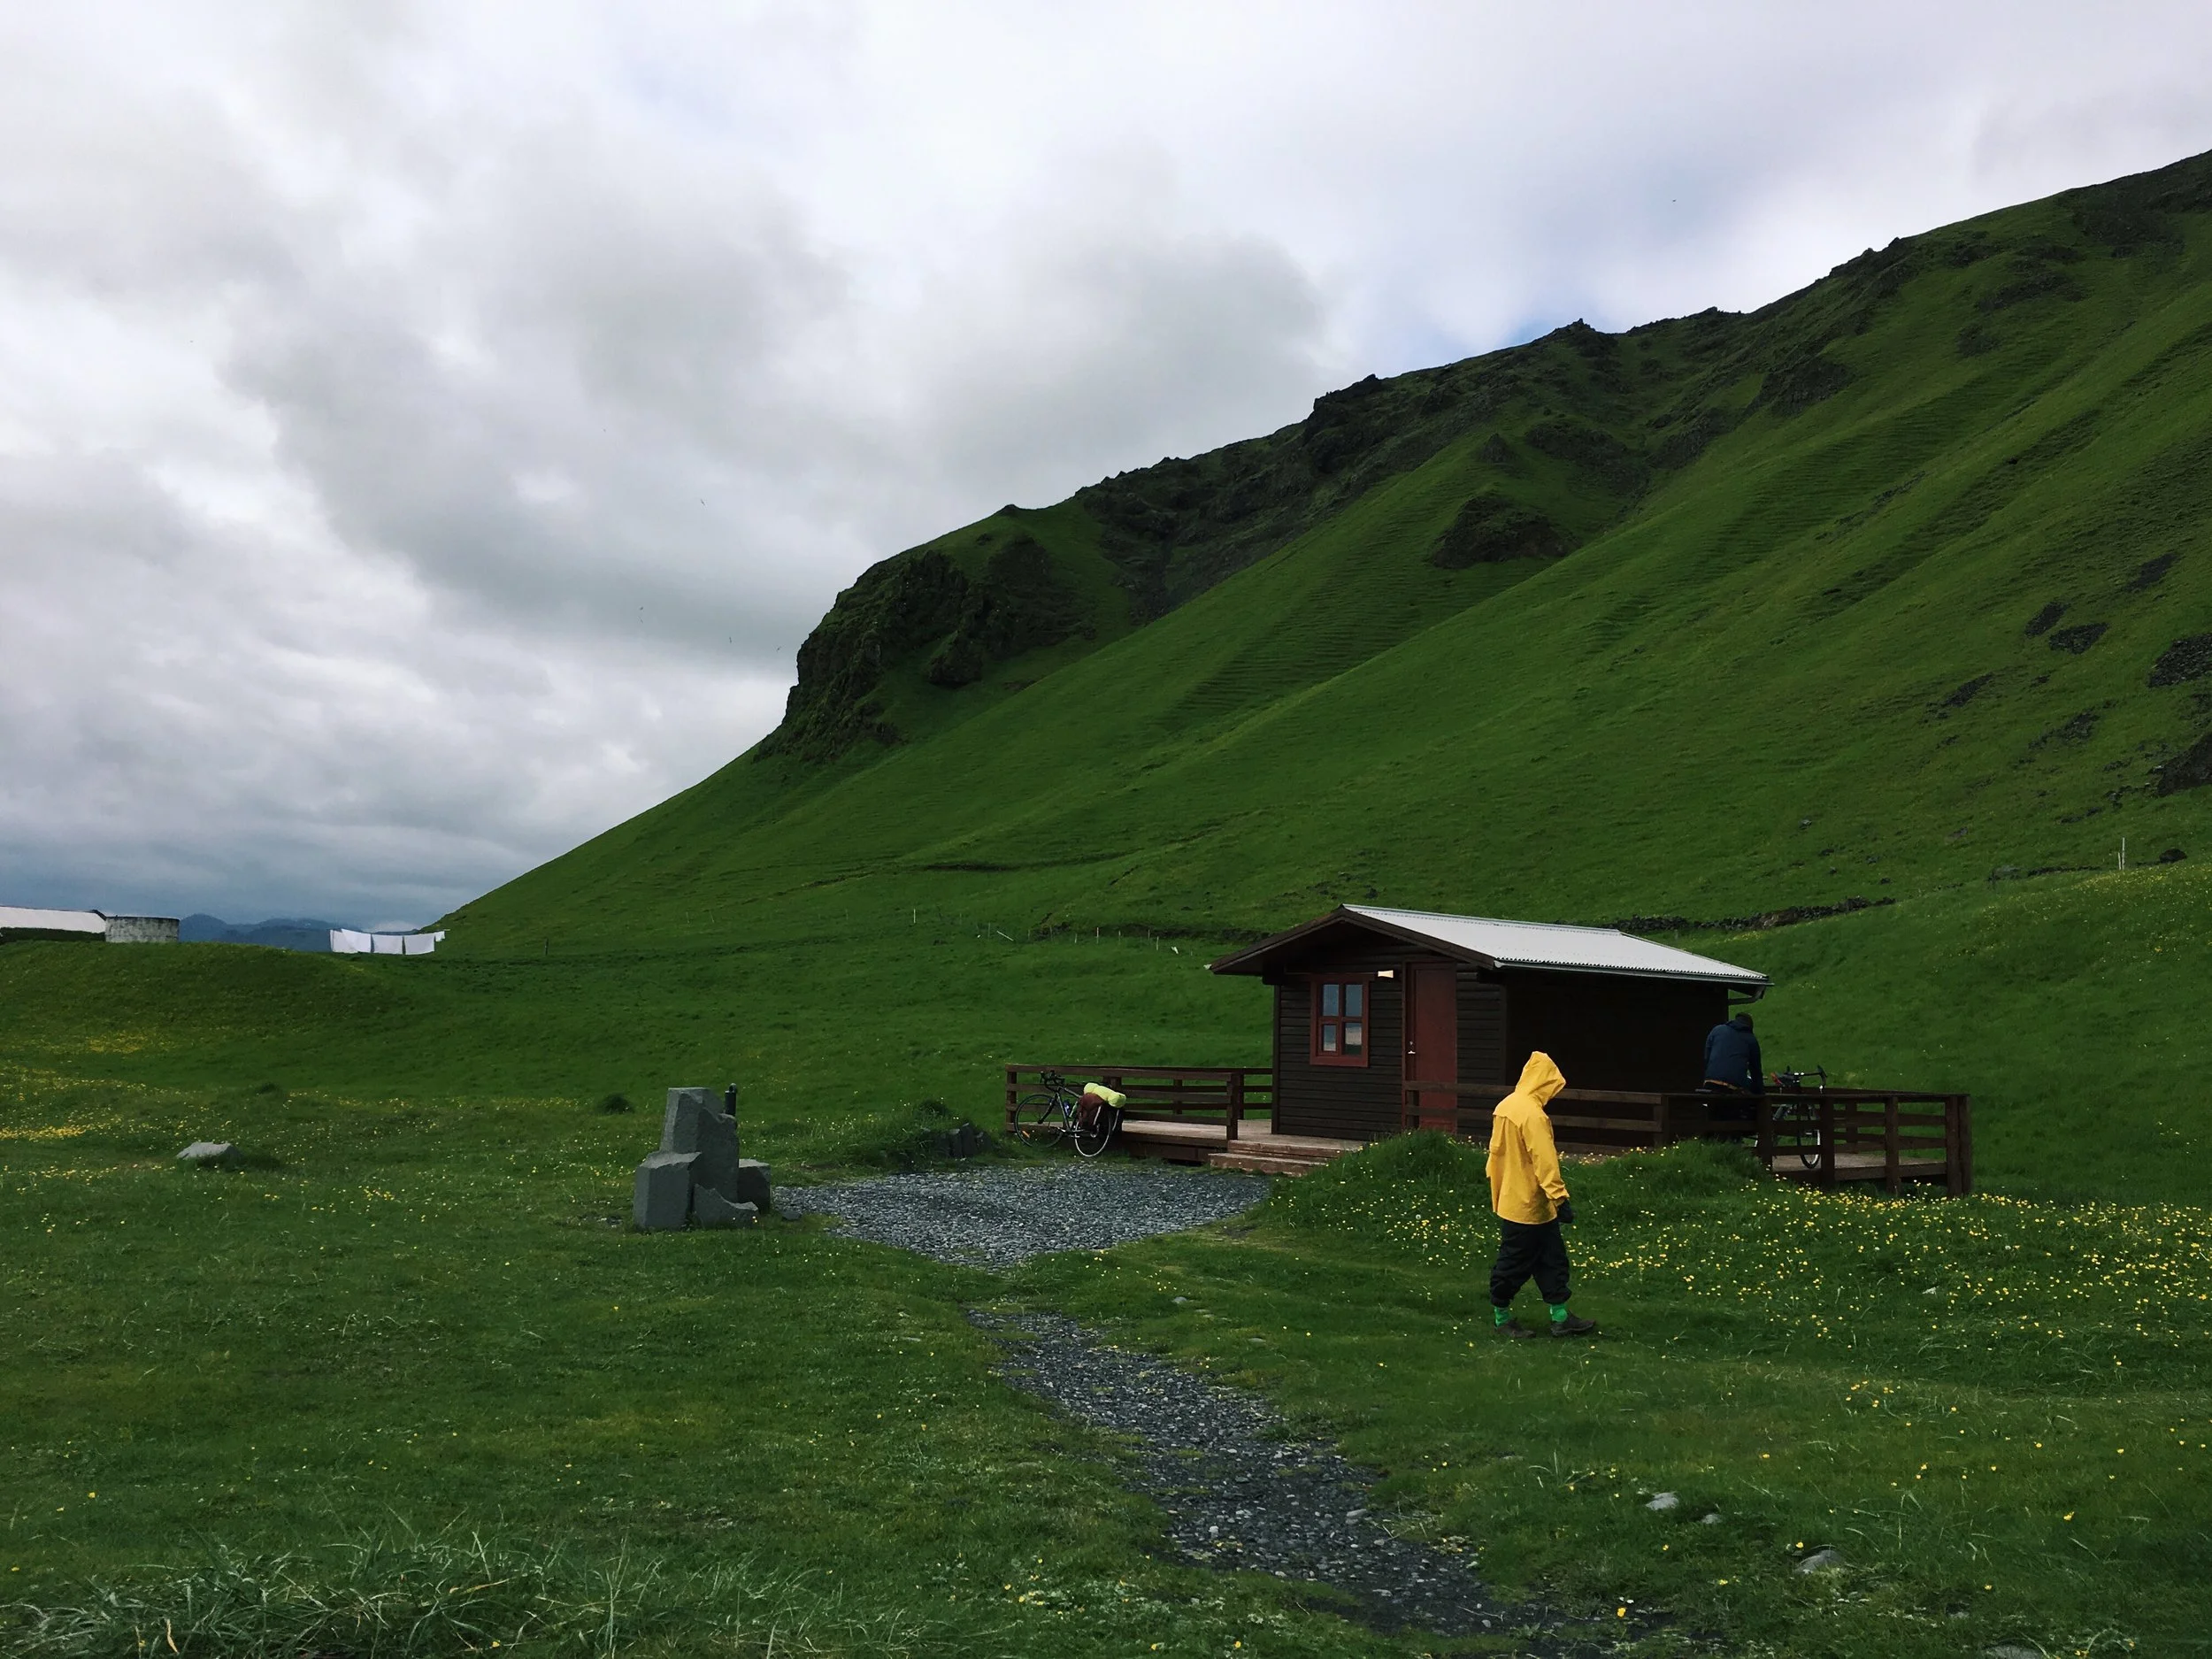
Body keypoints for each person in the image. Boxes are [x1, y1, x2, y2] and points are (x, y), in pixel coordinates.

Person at [1486, 1051, 1597, 1339]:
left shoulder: (1506, 1105)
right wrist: (1560, 1198)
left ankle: (1561, 1318)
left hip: (1516, 1200)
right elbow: (1544, 1160)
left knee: (1551, 1259)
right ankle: (1502, 1319)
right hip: (1529, 1205)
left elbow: (1496, 1156)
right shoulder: (1533, 1114)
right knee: (1514, 1263)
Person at [1701, 1011, 1764, 1110]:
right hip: (1731, 1088)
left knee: (1713, 1115)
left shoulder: (1717, 1030)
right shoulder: (1751, 1039)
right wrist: (1760, 1095)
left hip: (1710, 1083)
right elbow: (1756, 1071)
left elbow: (1707, 1058)